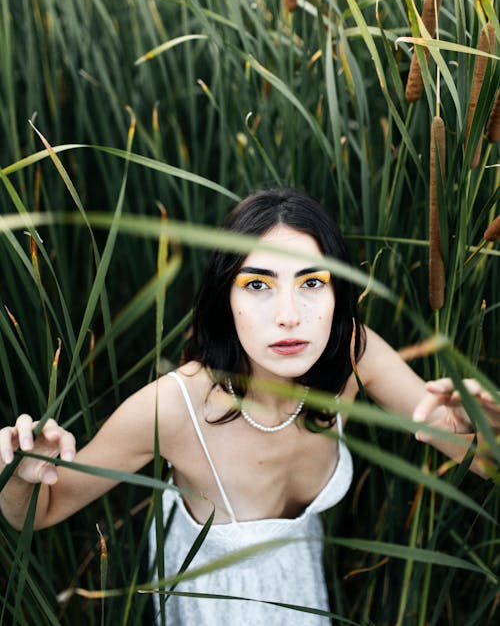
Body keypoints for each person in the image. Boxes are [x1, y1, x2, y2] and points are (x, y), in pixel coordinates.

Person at [0, 187, 497, 624]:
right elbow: (37, 514)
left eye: (312, 283)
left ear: (337, 293)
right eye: (257, 285)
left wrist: (482, 434)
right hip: (211, 603)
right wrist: (21, 474)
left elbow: (476, 455)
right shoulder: (175, 408)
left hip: (300, 588)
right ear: (225, 300)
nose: (288, 316)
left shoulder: (353, 354)